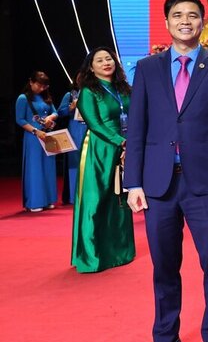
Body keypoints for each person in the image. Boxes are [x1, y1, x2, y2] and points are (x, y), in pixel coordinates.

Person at [124, 0, 208, 342]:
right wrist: (133, 182)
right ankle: (165, 339)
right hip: (158, 184)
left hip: (205, 182)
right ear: (167, 22)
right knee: (163, 265)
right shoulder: (147, 68)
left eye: (193, 15)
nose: (185, 21)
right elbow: (137, 128)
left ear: (202, 21)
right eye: (178, 15)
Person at [71, 47, 135, 273]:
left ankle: (119, 252)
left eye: (109, 58)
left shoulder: (124, 88)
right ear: (91, 67)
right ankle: (91, 255)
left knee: (119, 200)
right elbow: (95, 124)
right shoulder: (89, 91)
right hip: (100, 149)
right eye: (100, 60)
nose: (106, 63)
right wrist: (121, 141)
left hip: (126, 147)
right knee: (95, 200)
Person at [15, 71, 59, 212]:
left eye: (44, 86)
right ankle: (35, 202)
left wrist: (50, 118)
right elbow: (20, 120)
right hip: (33, 137)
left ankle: (48, 200)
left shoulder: (45, 97)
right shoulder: (23, 98)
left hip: (47, 135)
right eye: (39, 85)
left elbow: (55, 112)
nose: (41, 89)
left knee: (49, 168)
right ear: (31, 82)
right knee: (35, 169)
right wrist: (35, 131)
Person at [57, 77, 87, 205]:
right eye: (80, 77)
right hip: (75, 129)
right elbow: (60, 112)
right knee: (74, 162)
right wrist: (71, 107)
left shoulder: (94, 92)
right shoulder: (70, 95)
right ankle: (74, 196)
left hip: (90, 128)